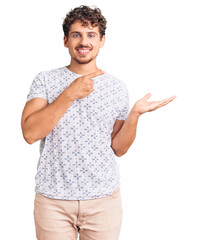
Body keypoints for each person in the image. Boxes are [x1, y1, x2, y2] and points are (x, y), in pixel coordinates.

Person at [21, 5, 176, 240]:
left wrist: (134, 115)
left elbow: (119, 148)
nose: (84, 41)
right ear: (65, 40)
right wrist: (70, 92)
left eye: (91, 35)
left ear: (102, 40)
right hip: (53, 201)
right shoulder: (45, 80)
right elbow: (30, 133)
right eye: (76, 35)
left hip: (103, 202)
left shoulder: (116, 87)